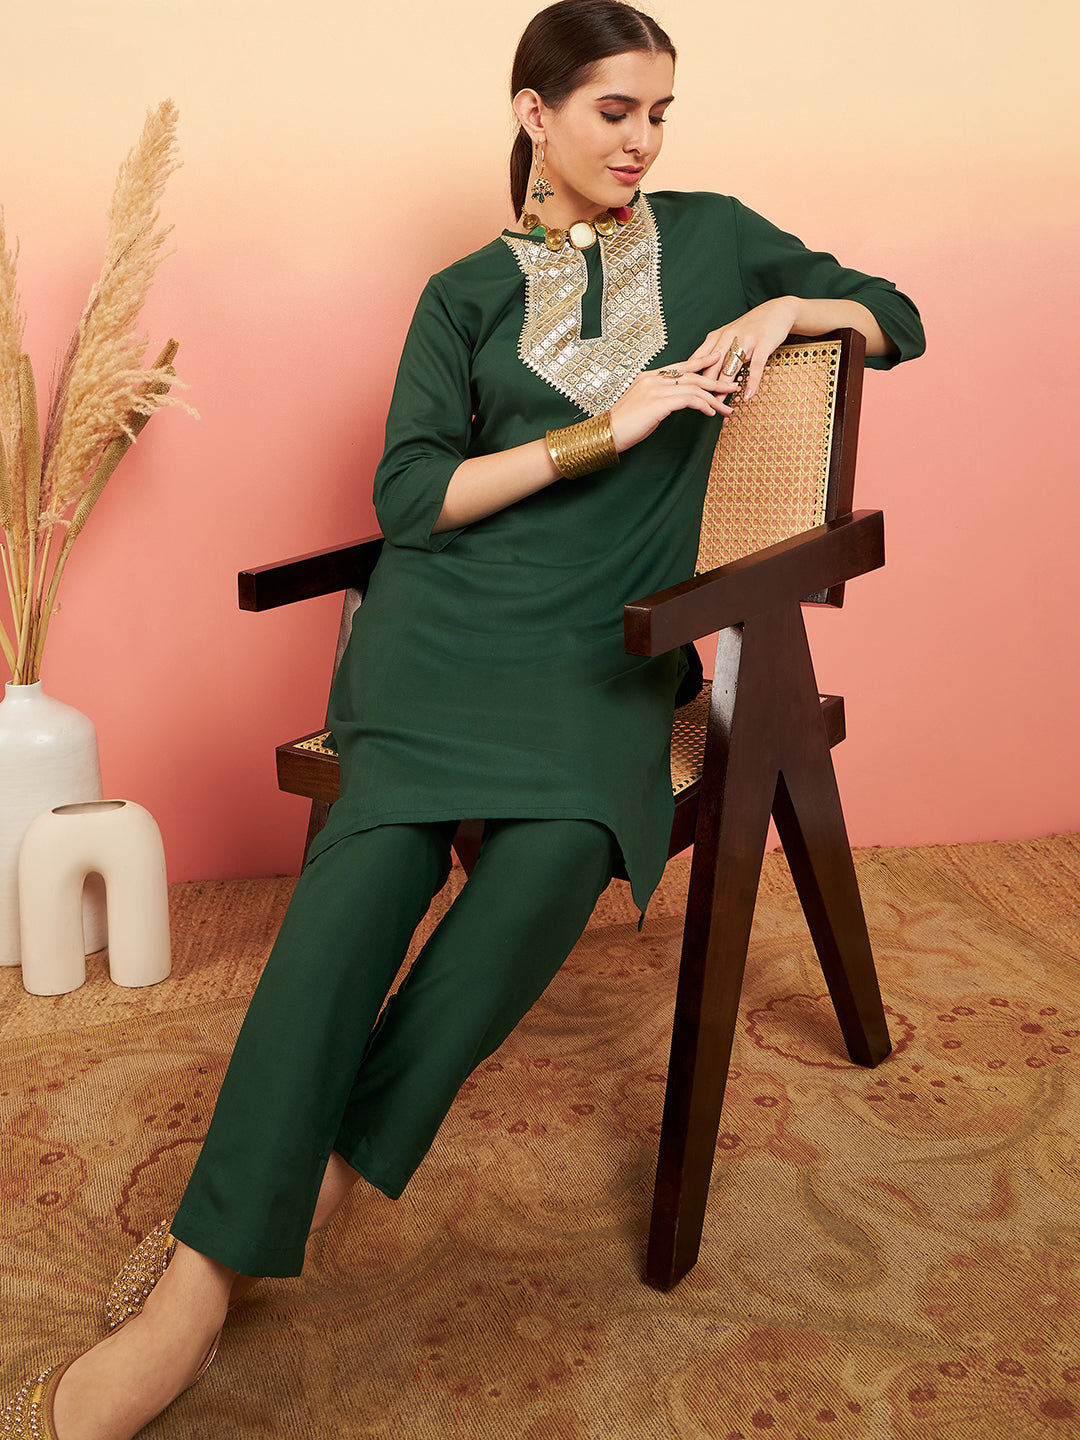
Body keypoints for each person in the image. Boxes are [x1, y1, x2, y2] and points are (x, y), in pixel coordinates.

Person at [3, 2, 924, 1435]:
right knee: (365, 871)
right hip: (442, 630)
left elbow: (894, 315)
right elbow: (411, 495)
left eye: (660, 112)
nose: (643, 139)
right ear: (533, 113)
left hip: (604, 651)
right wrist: (611, 427)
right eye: (614, 110)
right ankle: (193, 1289)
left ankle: (308, 1179)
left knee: (555, 860)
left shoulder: (718, 237)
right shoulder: (464, 294)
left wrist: (783, 310)